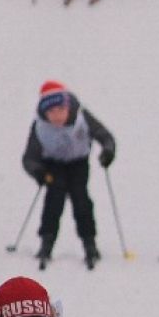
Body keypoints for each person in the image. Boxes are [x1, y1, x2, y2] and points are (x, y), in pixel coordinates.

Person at [21, 81, 115, 270]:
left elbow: (105, 136)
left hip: (78, 164)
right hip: (53, 167)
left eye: (60, 110)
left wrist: (108, 151)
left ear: (67, 107)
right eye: (51, 112)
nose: (56, 116)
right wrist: (38, 172)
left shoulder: (82, 117)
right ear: (44, 112)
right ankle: (46, 242)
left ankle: (90, 243)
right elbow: (29, 158)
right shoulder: (40, 127)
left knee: (82, 201)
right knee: (53, 203)